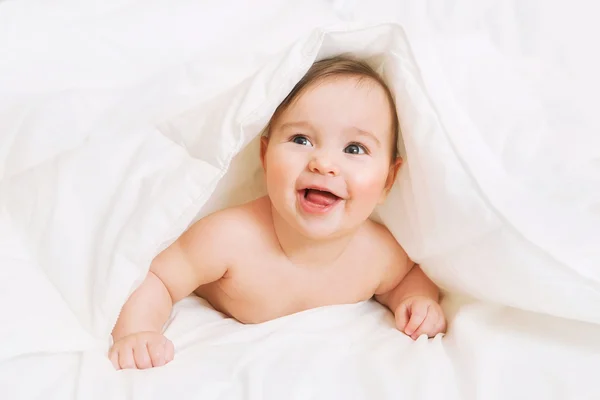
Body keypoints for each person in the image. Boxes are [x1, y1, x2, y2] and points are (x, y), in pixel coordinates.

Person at [109, 56, 447, 370]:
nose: (324, 163)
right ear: (265, 154)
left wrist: (416, 299)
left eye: (354, 148)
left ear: (388, 180)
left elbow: (408, 276)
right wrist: (138, 331)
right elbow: (158, 278)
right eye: (301, 139)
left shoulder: (378, 255)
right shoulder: (230, 238)